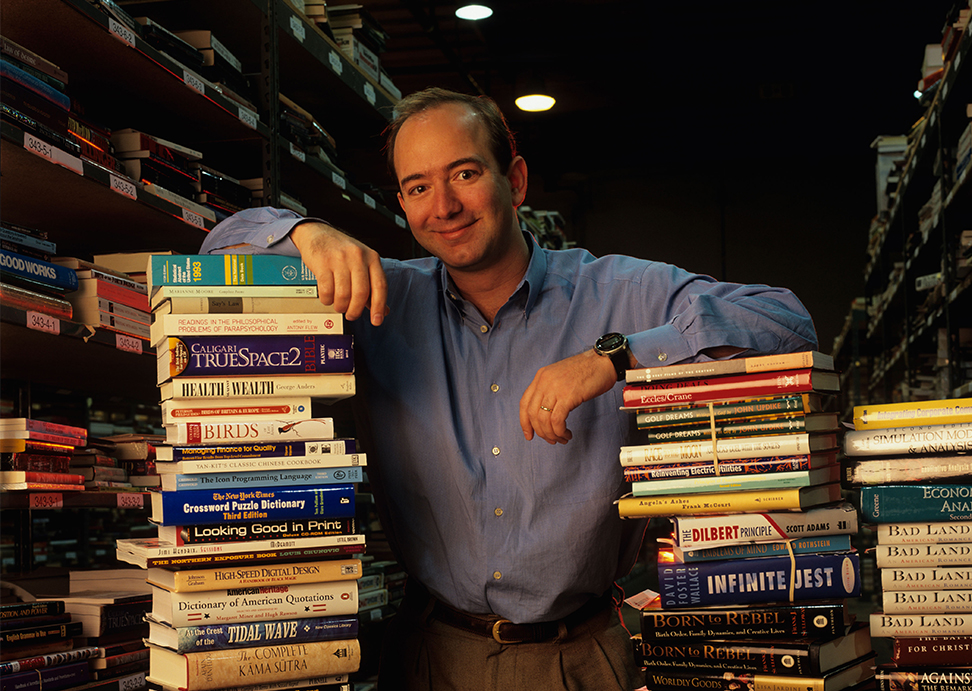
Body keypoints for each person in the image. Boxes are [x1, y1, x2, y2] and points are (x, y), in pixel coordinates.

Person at [200, 87, 819, 690]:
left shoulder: (621, 292)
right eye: (419, 188)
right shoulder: (379, 303)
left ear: (516, 181)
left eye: (464, 174)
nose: (443, 206)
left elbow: (785, 320)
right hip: (430, 658)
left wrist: (619, 355)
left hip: (589, 658)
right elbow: (214, 247)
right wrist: (306, 234)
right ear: (403, 203)